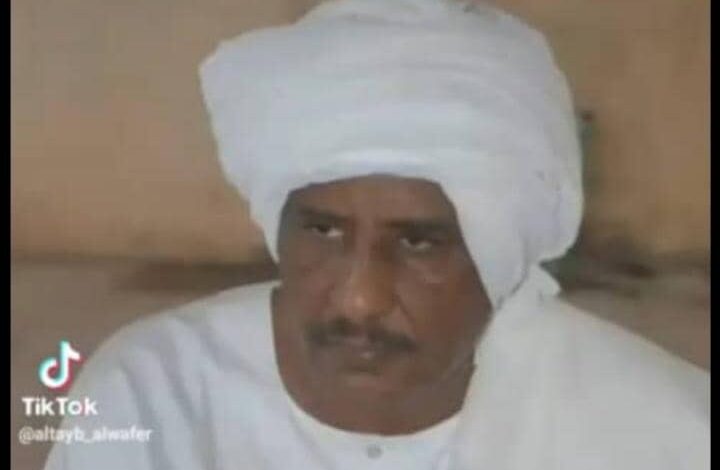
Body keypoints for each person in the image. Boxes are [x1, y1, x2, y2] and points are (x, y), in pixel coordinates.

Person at [44, 0, 709, 469]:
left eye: (420, 243)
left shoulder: (659, 431)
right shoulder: (155, 391)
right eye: (323, 231)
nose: (359, 299)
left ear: (502, 257)